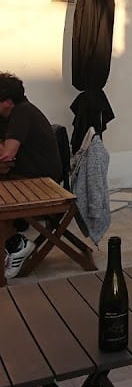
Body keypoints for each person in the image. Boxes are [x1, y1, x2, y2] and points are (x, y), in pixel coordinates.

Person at [0, 72, 63, 279]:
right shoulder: (9, 115)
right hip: (26, 175)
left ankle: (17, 244)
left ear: (7, 102)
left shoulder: (22, 113)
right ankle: (13, 243)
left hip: (43, 182)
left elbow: (6, 154)